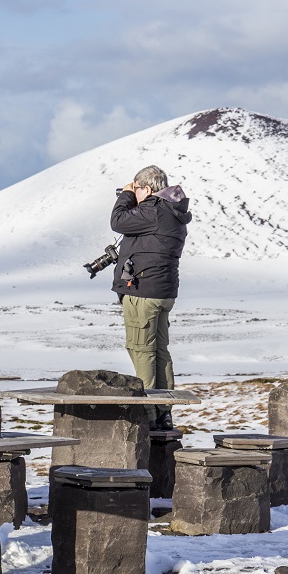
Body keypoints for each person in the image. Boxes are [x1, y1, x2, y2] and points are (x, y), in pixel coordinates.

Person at [109, 165, 192, 430]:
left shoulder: (154, 209)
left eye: (137, 190)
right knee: (159, 351)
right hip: (163, 291)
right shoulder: (172, 212)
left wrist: (125, 195)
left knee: (141, 349)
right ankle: (164, 411)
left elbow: (118, 221)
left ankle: (147, 416)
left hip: (143, 291)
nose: (135, 195)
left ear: (146, 188)